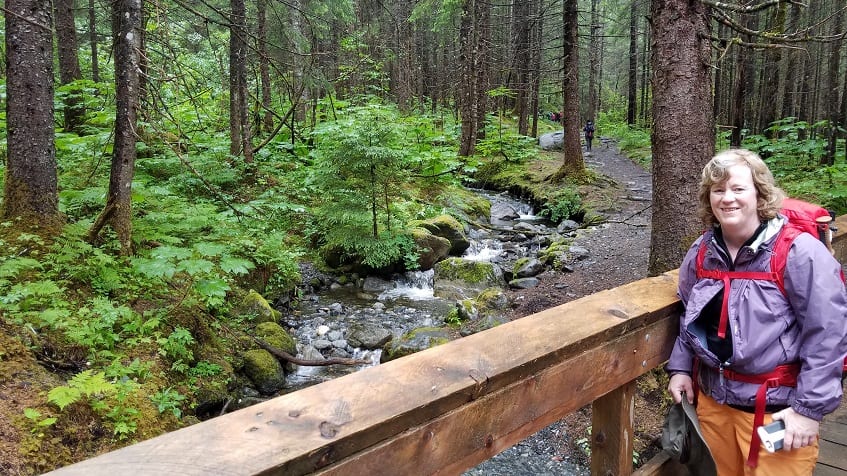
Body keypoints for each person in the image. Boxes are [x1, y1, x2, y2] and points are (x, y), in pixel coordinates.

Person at [666, 149, 847, 475]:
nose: (727, 199)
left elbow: (828, 334)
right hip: (713, 406)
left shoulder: (798, 253)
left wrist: (807, 410)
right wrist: (679, 368)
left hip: (778, 414)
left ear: (760, 193)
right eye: (718, 190)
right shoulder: (702, 252)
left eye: (738, 189)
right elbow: (688, 315)